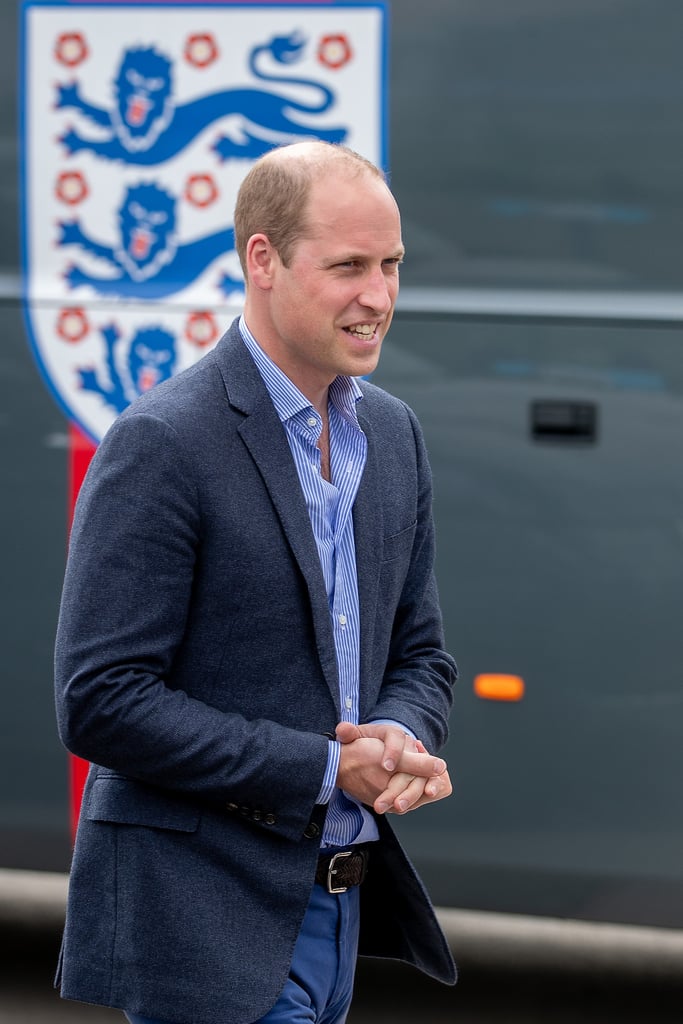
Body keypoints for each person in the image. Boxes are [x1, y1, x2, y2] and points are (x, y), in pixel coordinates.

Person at [54, 141, 458, 1024]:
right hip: (205, 924)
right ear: (261, 260)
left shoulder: (392, 435)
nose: (379, 296)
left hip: (340, 914)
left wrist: (393, 737)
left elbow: (422, 653)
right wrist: (324, 768)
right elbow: (101, 699)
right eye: (348, 266)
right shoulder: (163, 441)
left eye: (391, 264)